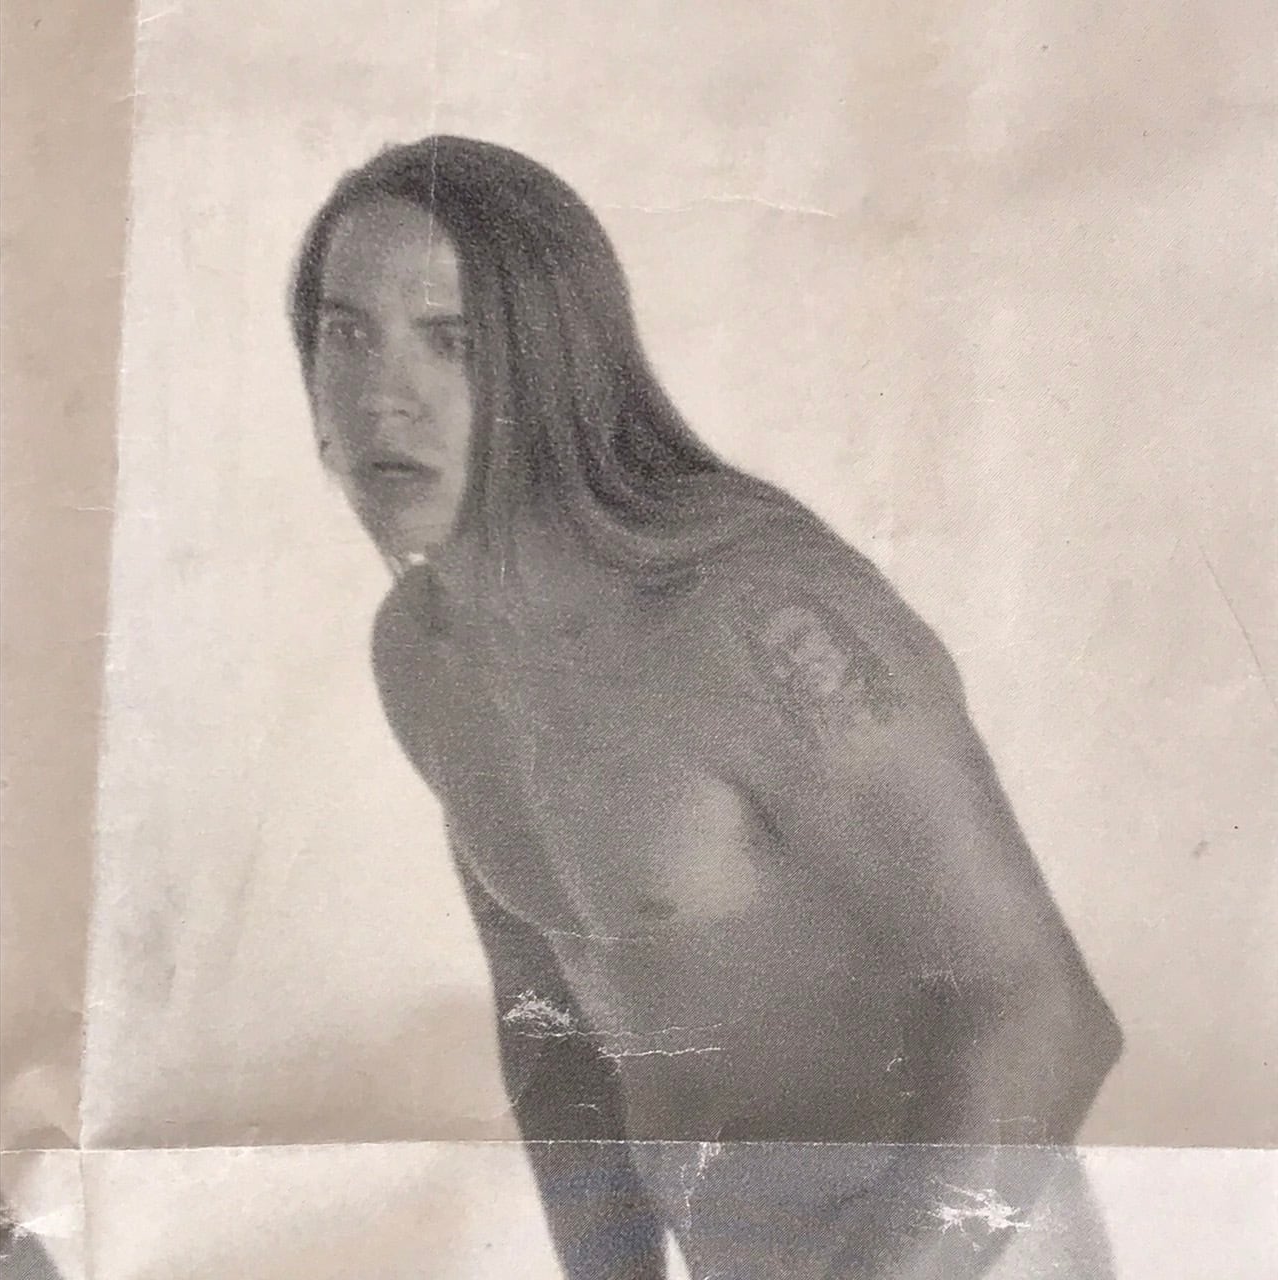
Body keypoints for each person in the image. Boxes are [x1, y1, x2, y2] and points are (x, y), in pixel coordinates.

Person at [288, 135, 1123, 1279]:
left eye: (454, 342)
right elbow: (553, 1027)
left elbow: (1041, 1011)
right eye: (346, 334)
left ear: (554, 363)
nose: (384, 398)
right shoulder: (424, 656)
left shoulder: (756, 611)